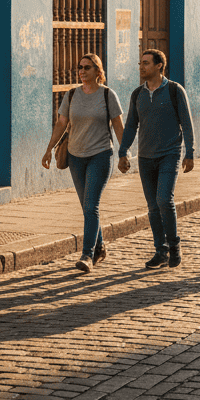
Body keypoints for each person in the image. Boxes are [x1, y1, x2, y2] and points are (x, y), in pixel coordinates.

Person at [42, 53, 124, 272]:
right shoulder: (71, 95)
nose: (82, 71)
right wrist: (49, 149)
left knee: (90, 205)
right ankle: (100, 247)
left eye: (87, 67)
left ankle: (87, 255)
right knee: (87, 207)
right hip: (75, 156)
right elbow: (61, 123)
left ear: (98, 71)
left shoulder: (108, 95)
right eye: (80, 67)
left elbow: (118, 125)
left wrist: (124, 152)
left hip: (100, 155)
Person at [117, 49, 194, 269]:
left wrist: (190, 153)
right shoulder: (137, 94)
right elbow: (131, 126)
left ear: (159, 66)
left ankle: (174, 245)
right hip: (145, 157)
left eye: (146, 63)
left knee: (164, 200)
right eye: (140, 63)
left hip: (170, 154)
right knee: (152, 207)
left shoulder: (174, 90)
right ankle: (161, 251)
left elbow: (187, 123)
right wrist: (123, 152)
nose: (141, 67)